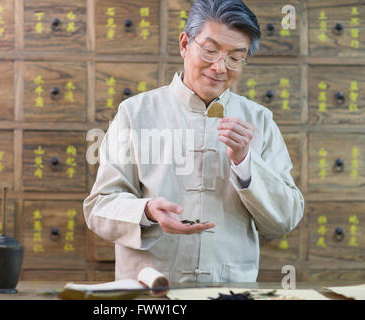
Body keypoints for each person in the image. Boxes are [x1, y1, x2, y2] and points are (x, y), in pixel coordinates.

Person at [83, 0, 304, 282]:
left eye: (235, 57)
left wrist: (245, 163)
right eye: (210, 50)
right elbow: (99, 208)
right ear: (185, 44)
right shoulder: (135, 113)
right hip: (151, 290)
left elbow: (286, 218)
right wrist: (147, 211)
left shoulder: (259, 121)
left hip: (229, 287)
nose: (220, 67)